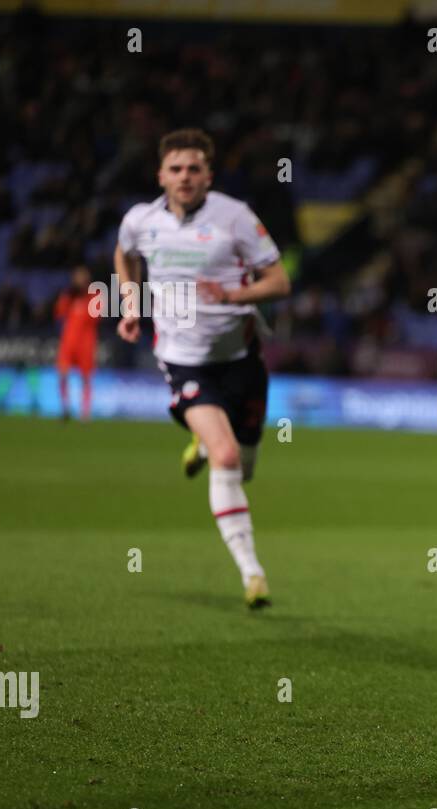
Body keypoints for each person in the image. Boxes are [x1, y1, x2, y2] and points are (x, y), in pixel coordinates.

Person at [114, 128, 290, 609]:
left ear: (209, 174)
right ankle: (252, 573)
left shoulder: (235, 218)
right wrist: (130, 304)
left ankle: (204, 442)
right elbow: (124, 256)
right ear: (161, 175)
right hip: (182, 360)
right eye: (176, 169)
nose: (185, 177)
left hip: (241, 362)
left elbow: (278, 282)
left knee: (244, 466)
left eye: (194, 169)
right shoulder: (140, 221)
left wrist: (233, 295)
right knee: (227, 457)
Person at [54, 264, 101, 420]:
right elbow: (59, 314)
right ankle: (65, 407)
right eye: (77, 277)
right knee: (62, 373)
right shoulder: (68, 296)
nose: (79, 280)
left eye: (82, 277)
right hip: (68, 341)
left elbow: (96, 317)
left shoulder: (94, 296)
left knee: (86, 378)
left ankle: (85, 412)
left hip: (86, 342)